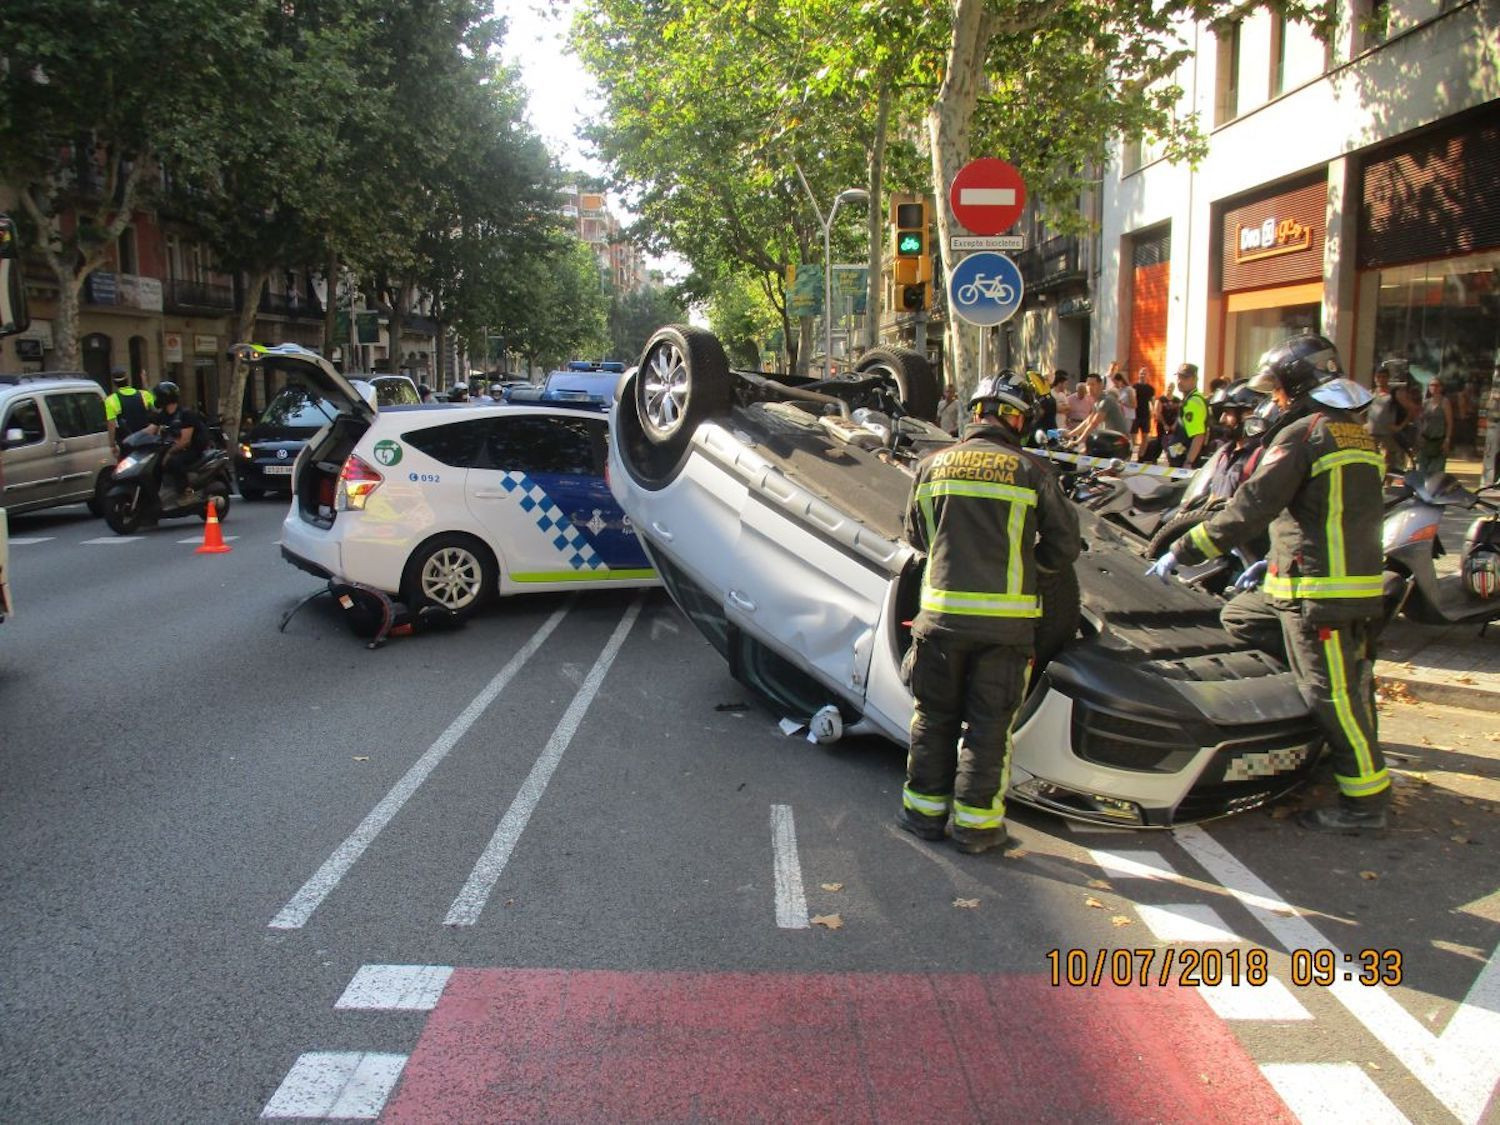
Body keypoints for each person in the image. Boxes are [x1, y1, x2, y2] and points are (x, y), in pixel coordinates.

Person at [1147, 334, 1389, 832]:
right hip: (1345, 585)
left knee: (1332, 694)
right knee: (1240, 615)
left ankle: (1364, 802)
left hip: (1318, 595)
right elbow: (1325, 513)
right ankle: (1303, 726)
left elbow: (1253, 506)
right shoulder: (1354, 432)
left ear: (1298, 386)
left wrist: (1184, 549)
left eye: (1277, 389)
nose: (1273, 400)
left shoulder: (1303, 433)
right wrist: (1274, 561)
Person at [899, 371, 1081, 854]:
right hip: (1005, 630)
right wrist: (1028, 572)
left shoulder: (931, 465)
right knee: (988, 728)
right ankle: (977, 830)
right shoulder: (1034, 472)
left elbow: (918, 539)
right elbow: (1064, 548)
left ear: (976, 412)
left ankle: (922, 817)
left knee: (933, 720)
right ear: (1016, 418)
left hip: (938, 624)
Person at [148, 381, 208, 498]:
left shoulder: (186, 414)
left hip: (192, 448)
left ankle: (185, 491)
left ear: (165, 397)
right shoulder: (163, 414)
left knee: (174, 461)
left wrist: (169, 454)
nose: (156, 399)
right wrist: (132, 438)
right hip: (172, 447)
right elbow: (151, 429)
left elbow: (185, 441)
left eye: (158, 396)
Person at [1163, 362, 1208, 468]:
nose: (1179, 381)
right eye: (1178, 377)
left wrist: (1189, 462)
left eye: (1185, 378)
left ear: (1195, 379)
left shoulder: (1193, 402)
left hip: (1185, 462)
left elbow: (1198, 436)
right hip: (1180, 458)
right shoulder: (1190, 399)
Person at [1065, 371, 1127, 447]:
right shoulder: (1097, 402)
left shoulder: (1106, 401)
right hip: (1111, 439)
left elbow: (1093, 423)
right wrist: (1069, 434)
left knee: (1087, 451)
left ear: (1100, 385)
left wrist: (1078, 441)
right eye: (1088, 384)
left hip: (1119, 442)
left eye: (1093, 384)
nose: (1089, 387)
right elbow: (1087, 421)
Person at [103, 366, 155, 455]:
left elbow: (111, 424)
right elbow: (156, 405)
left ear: (114, 382)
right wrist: (145, 384)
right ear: (128, 379)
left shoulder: (111, 400)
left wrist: (112, 445)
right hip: (145, 441)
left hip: (127, 444)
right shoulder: (144, 395)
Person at [1365, 367, 1404, 474]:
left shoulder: (1394, 394)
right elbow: (1361, 410)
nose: (1381, 379)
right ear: (1374, 378)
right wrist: (1365, 424)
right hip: (1371, 433)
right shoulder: (1371, 393)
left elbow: (1411, 409)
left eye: (1384, 377)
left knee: (1387, 460)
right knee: (1371, 459)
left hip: (1386, 434)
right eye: (1378, 377)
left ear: (1387, 378)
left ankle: (1387, 483)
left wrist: (1400, 426)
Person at [1415, 378, 1453, 478]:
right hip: (1425, 441)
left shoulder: (1445, 402)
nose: (1434, 388)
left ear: (1441, 387)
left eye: (1436, 385)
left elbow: (1449, 423)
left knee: (1435, 473)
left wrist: (1447, 440)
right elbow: (1421, 421)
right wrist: (1419, 436)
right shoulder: (1426, 402)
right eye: (1431, 385)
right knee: (1422, 471)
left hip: (1439, 441)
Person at [1130, 366, 1155, 460]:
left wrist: (1154, 411)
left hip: (1145, 415)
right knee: (1133, 438)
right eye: (1141, 373)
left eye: (1144, 373)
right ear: (1138, 375)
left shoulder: (1150, 388)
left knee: (1145, 438)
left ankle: (1140, 457)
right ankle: (1131, 455)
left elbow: (1152, 401)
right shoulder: (1134, 387)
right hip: (1135, 415)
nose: (1142, 375)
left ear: (1147, 375)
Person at [1483, 362, 1500, 489]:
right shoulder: (1493, 387)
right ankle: (1492, 479)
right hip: (1493, 423)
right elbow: (1488, 404)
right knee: (1493, 452)